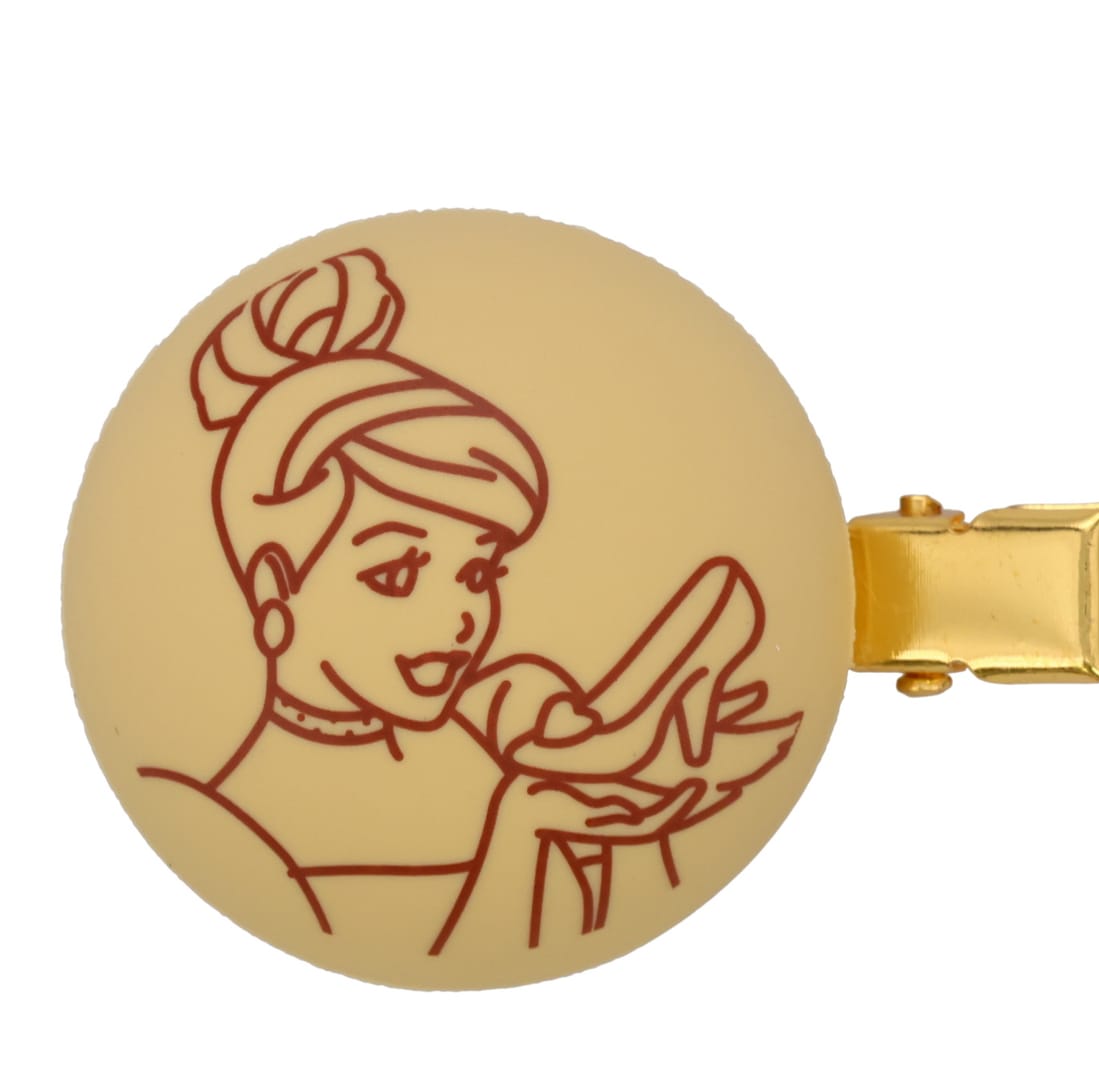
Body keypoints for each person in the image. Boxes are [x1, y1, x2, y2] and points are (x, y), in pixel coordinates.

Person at [139, 248, 803, 960]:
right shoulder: (213, 828)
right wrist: (522, 836)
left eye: (479, 573)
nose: (460, 620)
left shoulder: (500, 738)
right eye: (396, 573)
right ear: (276, 589)